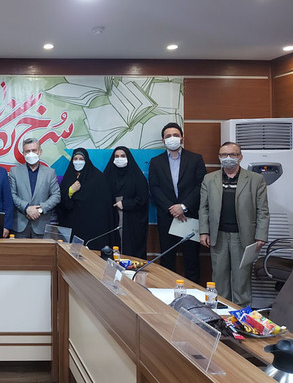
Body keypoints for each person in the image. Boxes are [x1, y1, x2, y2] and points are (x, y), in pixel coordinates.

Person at [199, 142, 269, 306]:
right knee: (219, 279)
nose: (228, 158)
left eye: (233, 154)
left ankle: (241, 315)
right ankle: (221, 312)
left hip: (243, 237)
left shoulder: (256, 179)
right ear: (219, 157)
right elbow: (203, 208)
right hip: (218, 236)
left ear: (240, 157)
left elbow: (263, 210)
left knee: (241, 280)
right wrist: (203, 231)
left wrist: (261, 235)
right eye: (224, 155)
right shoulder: (209, 179)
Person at [149, 122, 206, 283]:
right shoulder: (156, 161)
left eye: (175, 135)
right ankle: (166, 292)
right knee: (167, 261)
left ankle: (194, 293)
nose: (172, 138)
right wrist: (172, 209)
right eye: (168, 136)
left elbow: (201, 185)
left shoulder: (195, 159)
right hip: (167, 217)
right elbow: (154, 188)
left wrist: (183, 206)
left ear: (182, 138)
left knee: (192, 260)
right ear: (163, 140)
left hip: (189, 216)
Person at [58, 148, 115, 249]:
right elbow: (61, 201)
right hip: (73, 223)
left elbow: (104, 204)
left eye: (81, 159)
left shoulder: (98, 177)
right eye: (75, 159)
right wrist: (70, 190)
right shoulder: (69, 177)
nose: (78, 161)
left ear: (86, 160)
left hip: (92, 225)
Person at [8, 138, 61, 238]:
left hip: (41, 225)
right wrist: (26, 208)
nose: (31, 154)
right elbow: (12, 195)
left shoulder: (50, 173)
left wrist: (40, 209)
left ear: (40, 152)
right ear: (23, 153)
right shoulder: (14, 172)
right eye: (27, 151)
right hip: (20, 225)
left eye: (34, 150)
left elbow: (56, 195)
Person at [103, 146, 149, 259]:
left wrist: (125, 204)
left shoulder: (137, 177)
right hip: (113, 218)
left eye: (123, 156)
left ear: (128, 158)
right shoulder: (107, 175)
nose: (120, 159)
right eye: (117, 156)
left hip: (132, 220)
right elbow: (101, 195)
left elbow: (143, 199)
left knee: (131, 251)